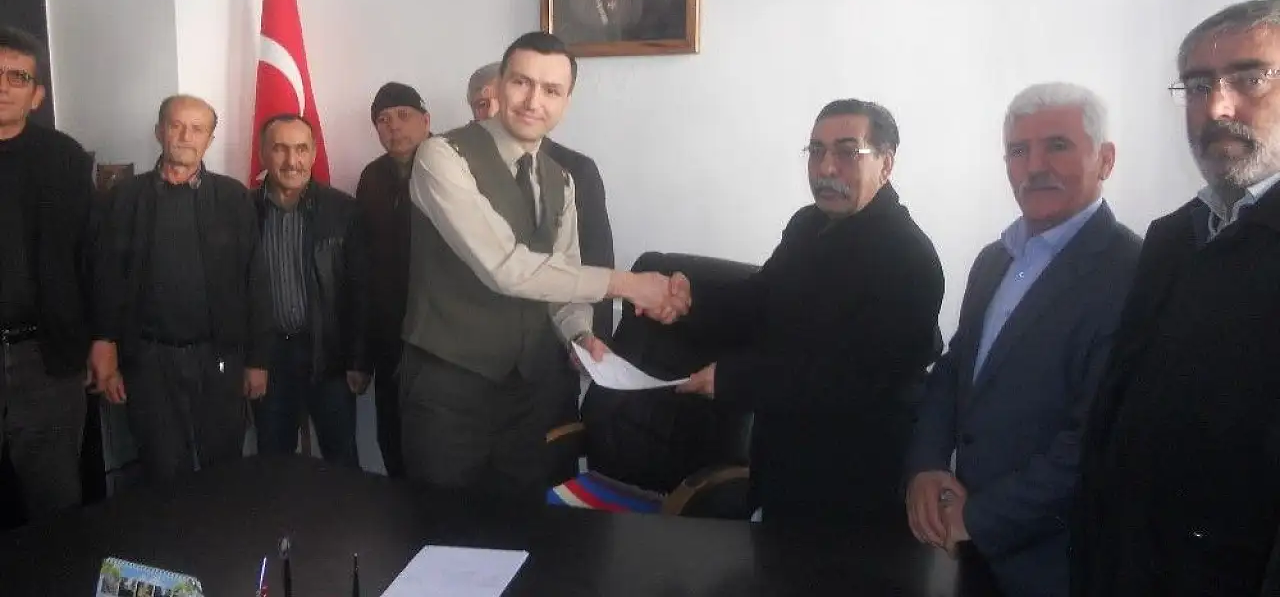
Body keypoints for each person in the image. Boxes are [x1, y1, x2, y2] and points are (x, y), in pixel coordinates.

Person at [402, 30, 687, 506]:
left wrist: (579, 334)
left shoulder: (562, 180)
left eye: (552, 90)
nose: (534, 101)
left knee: (523, 525)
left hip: (527, 395)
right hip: (449, 389)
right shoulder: (442, 157)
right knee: (443, 527)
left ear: (566, 102)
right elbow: (506, 267)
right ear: (499, 86)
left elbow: (562, 281)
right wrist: (627, 285)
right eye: (522, 83)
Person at [1074, 0, 1280, 596]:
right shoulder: (1172, 238)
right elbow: (1117, 425)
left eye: (1250, 78)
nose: (1216, 108)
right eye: (1197, 86)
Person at [904, 84, 1140, 597]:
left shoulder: (1132, 272)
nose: (1034, 166)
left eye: (1057, 145)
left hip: (1057, 563)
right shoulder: (995, 259)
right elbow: (955, 370)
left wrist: (978, 517)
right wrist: (926, 466)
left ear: (1105, 159)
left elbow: (1094, 440)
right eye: (1018, 150)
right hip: (970, 551)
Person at [676, 99, 945, 526]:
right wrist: (687, 300)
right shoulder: (808, 225)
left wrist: (733, 379)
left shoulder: (909, 257)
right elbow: (761, 299)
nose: (826, 168)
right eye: (816, 151)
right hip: (780, 461)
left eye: (846, 152)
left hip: (856, 482)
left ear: (886, 163)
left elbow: (854, 379)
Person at [89, 95, 271, 484]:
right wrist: (106, 346)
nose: (186, 136)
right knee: (162, 468)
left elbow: (254, 280)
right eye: (176, 126)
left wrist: (258, 360)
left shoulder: (233, 197)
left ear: (209, 139)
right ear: (159, 132)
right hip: (149, 360)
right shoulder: (125, 197)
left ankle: (220, 526)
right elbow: (107, 278)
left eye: (197, 129)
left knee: (223, 465)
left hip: (219, 358)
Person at [0, 26, 94, 521]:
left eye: (18, 77)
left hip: (45, 357)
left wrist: (101, 340)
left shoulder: (65, 159)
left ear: (36, 96)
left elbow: (90, 258)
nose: (4, 86)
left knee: (54, 501)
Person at [468, 61, 617, 338]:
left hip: (556, 335)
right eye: (480, 105)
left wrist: (591, 340)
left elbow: (596, 261)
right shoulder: (461, 167)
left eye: (498, 99)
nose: (490, 112)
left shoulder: (575, 169)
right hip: (482, 338)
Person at [253, 114, 368, 468]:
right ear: (262, 153)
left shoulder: (343, 210)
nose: (292, 161)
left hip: (328, 357)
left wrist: (359, 360)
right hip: (269, 358)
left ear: (314, 153)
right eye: (280, 149)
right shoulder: (243, 211)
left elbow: (359, 291)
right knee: (274, 462)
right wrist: (249, 360)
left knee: (342, 460)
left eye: (301, 149)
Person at [354, 82, 431, 478]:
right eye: (383, 120)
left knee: (439, 451)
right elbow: (363, 268)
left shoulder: (454, 168)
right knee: (393, 442)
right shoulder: (372, 178)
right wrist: (361, 356)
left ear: (426, 120)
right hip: (389, 341)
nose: (394, 127)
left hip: (441, 346)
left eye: (403, 116)